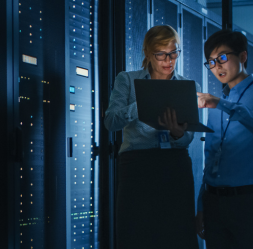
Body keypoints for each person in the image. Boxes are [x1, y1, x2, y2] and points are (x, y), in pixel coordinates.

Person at [105, 25, 200, 248]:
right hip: (137, 168)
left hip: (174, 166)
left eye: (173, 52)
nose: (168, 60)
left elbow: (189, 138)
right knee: (136, 234)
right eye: (161, 54)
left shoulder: (187, 85)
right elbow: (111, 121)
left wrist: (177, 133)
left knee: (177, 235)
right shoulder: (127, 80)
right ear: (148, 53)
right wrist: (144, 104)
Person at [195, 29, 253, 249]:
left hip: (248, 201)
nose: (217, 67)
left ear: (242, 56)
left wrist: (221, 104)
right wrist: (201, 204)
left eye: (222, 58)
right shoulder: (217, 101)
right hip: (214, 201)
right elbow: (212, 154)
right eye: (211, 62)